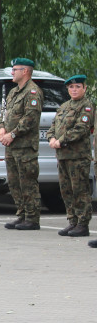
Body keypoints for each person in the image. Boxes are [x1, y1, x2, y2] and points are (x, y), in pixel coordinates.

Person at [0, 57, 44, 230]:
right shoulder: (13, 92)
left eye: (15, 69)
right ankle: (22, 214)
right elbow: (3, 113)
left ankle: (32, 218)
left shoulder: (33, 92)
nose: (12, 72)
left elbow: (30, 119)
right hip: (12, 146)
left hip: (24, 146)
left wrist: (13, 134)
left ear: (25, 71)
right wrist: (1, 129)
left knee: (27, 182)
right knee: (14, 182)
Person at [49, 75, 93, 237]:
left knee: (79, 190)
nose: (74, 90)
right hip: (63, 156)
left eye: (77, 87)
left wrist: (61, 140)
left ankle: (83, 223)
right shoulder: (64, 106)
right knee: (66, 190)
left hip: (78, 156)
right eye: (71, 87)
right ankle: (72, 221)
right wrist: (52, 138)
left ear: (84, 88)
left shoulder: (86, 106)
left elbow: (81, 128)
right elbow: (53, 126)